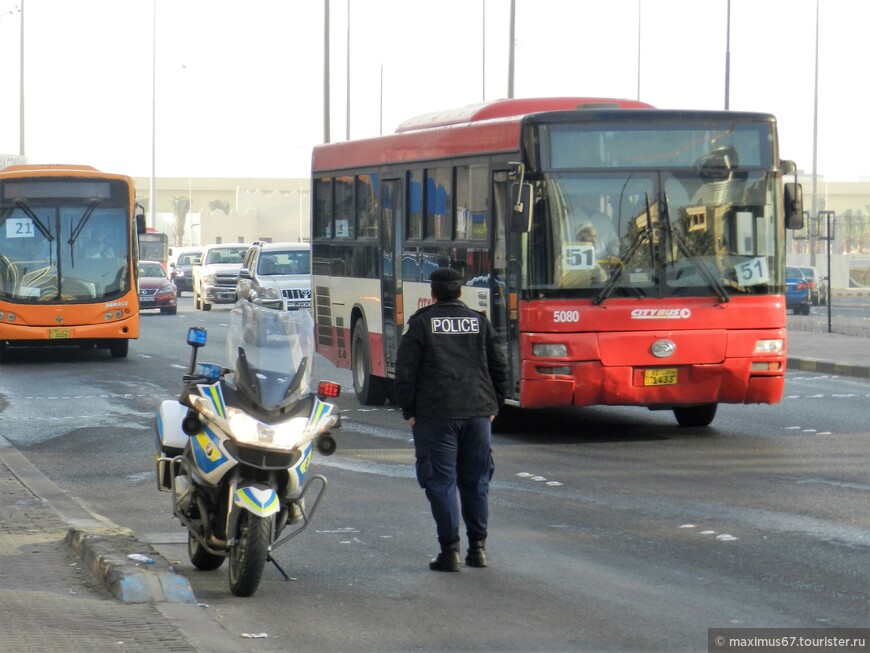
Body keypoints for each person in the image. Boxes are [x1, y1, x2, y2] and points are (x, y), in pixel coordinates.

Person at [395, 267, 508, 572]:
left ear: (433, 293)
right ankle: (478, 550)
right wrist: (495, 404)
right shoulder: (480, 321)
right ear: (460, 292)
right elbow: (499, 365)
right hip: (477, 413)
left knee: (441, 481)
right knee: (476, 481)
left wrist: (410, 412)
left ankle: (450, 552)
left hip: (436, 415)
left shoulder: (420, 324)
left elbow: (405, 371)